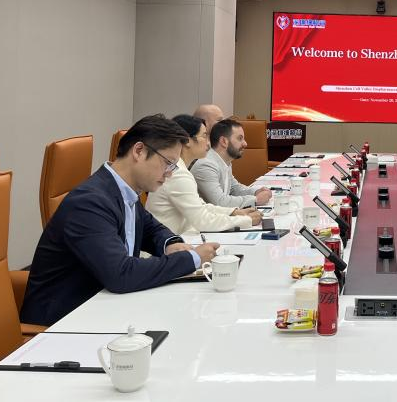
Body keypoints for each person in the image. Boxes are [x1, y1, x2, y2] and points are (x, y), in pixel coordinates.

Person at [21, 115, 220, 326]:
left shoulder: (124, 190)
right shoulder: (89, 202)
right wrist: (192, 259)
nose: (169, 174)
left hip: (105, 307)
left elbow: (151, 228)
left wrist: (170, 244)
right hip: (63, 324)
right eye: (168, 163)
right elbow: (121, 274)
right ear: (139, 151)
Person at [146, 115, 262, 234]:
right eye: (204, 136)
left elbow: (201, 206)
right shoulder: (178, 173)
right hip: (168, 242)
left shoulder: (181, 169)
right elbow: (202, 220)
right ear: (187, 141)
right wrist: (245, 220)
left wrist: (234, 212)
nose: (208, 143)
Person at [191, 119, 273, 208]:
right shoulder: (206, 165)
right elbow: (220, 202)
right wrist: (256, 200)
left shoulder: (224, 161)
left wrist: (256, 192)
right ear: (224, 141)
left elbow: (234, 188)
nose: (245, 144)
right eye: (240, 138)